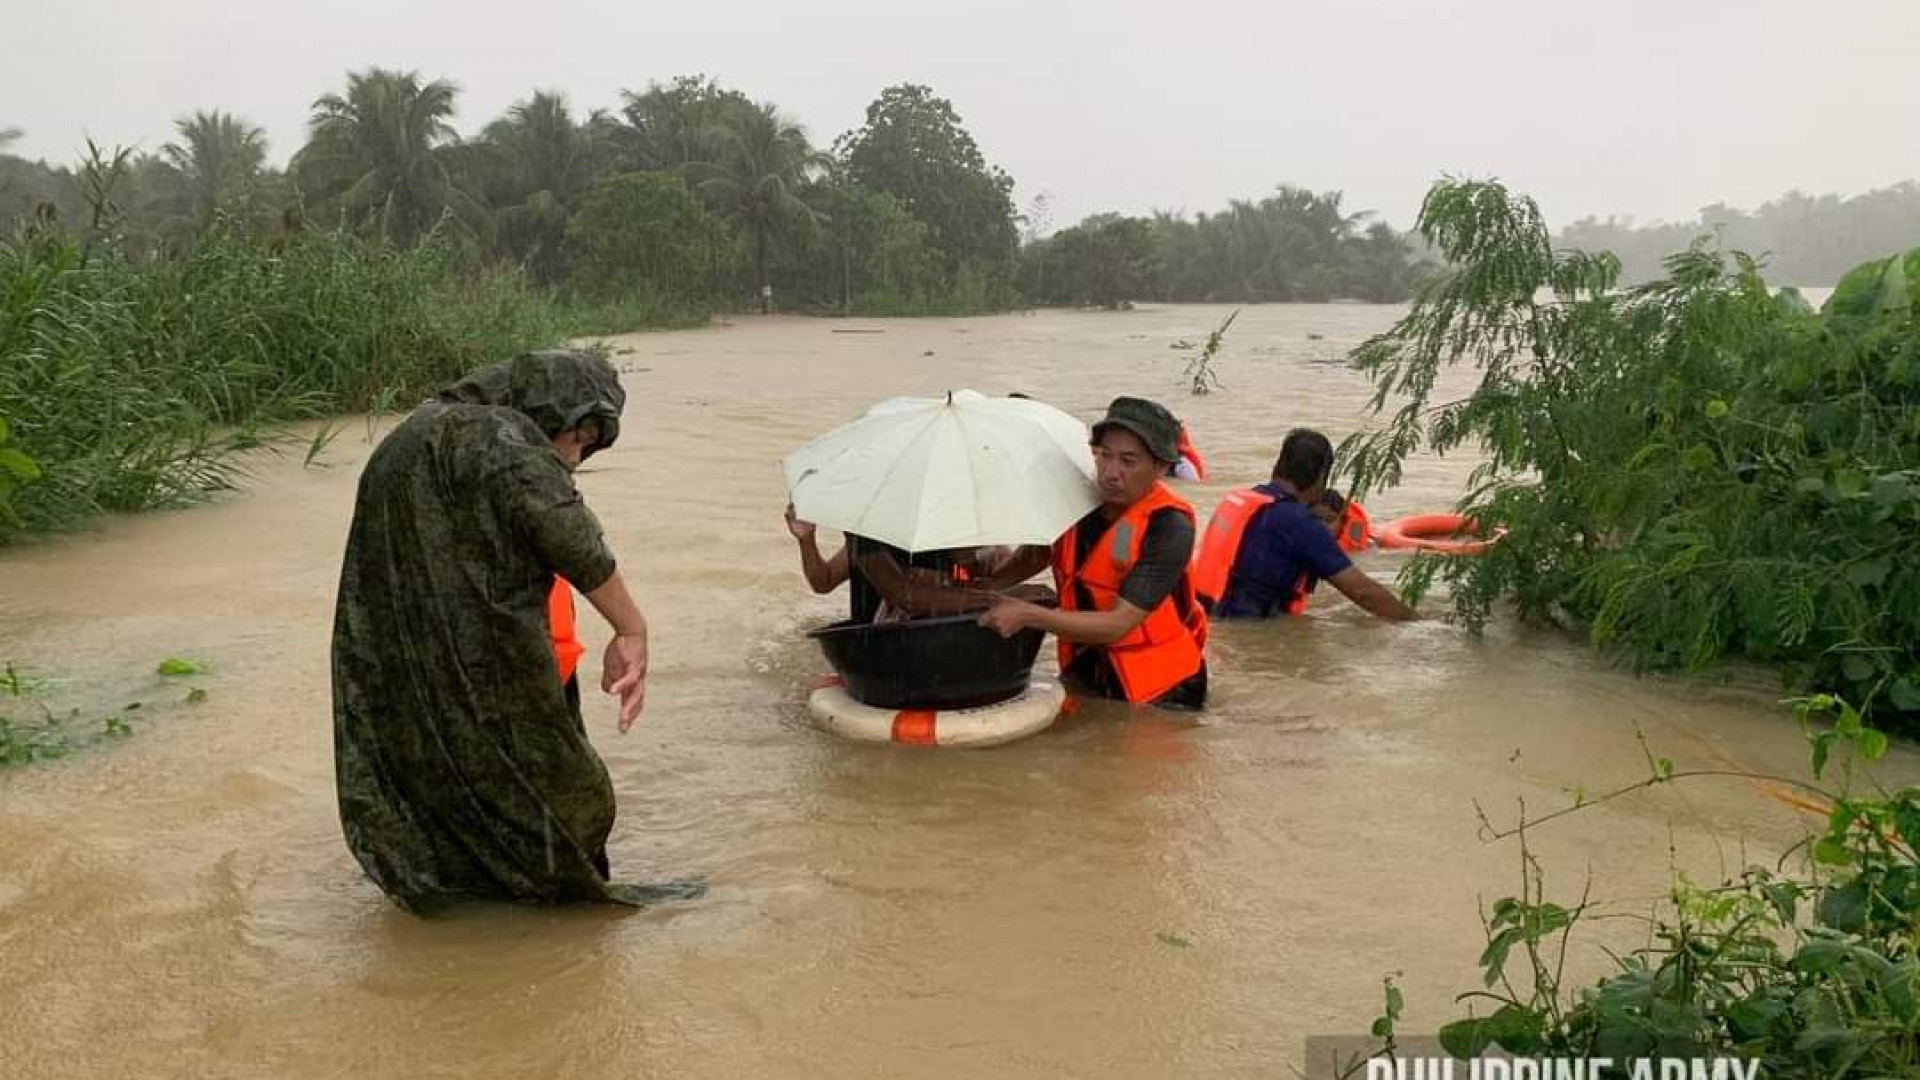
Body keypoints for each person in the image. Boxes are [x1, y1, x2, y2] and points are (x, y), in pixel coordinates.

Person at [332, 349, 657, 914]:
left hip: (404, 672)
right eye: (578, 437)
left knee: (446, 789)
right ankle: (552, 906)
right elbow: (569, 535)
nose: (576, 456)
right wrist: (631, 626)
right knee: (568, 795)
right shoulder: (506, 443)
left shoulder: (411, 435)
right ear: (550, 408)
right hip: (488, 666)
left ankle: (467, 907)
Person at [978, 396, 1210, 710]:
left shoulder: (1170, 527)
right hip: (1089, 670)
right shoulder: (1079, 503)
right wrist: (983, 589)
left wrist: (1028, 614)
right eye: (1103, 456)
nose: (1110, 473)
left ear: (1161, 466)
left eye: (1128, 462)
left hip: (1162, 691)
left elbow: (1118, 624)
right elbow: (1036, 555)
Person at [1190, 428, 1418, 621]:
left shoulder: (1244, 501)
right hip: (1247, 629)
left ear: (1278, 466)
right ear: (1321, 477)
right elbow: (1363, 592)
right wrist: (1417, 622)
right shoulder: (1298, 523)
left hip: (1206, 619)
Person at [785, 506, 1047, 620]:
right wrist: (806, 538)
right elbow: (824, 582)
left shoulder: (951, 526)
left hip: (940, 625)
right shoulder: (867, 532)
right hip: (884, 637)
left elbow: (981, 576)